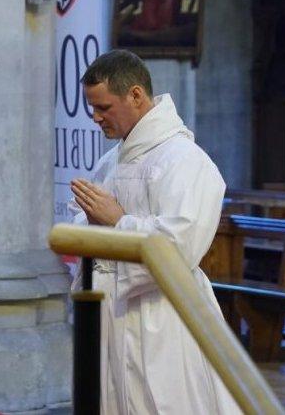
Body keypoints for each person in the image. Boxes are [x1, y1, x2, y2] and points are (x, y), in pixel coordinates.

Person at [70, 50, 240, 414]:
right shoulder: (112, 161)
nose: (96, 118)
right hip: (113, 312)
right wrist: (86, 227)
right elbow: (84, 224)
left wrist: (117, 221)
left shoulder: (185, 160)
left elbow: (182, 244)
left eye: (103, 107)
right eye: (92, 108)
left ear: (135, 95)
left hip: (163, 315)